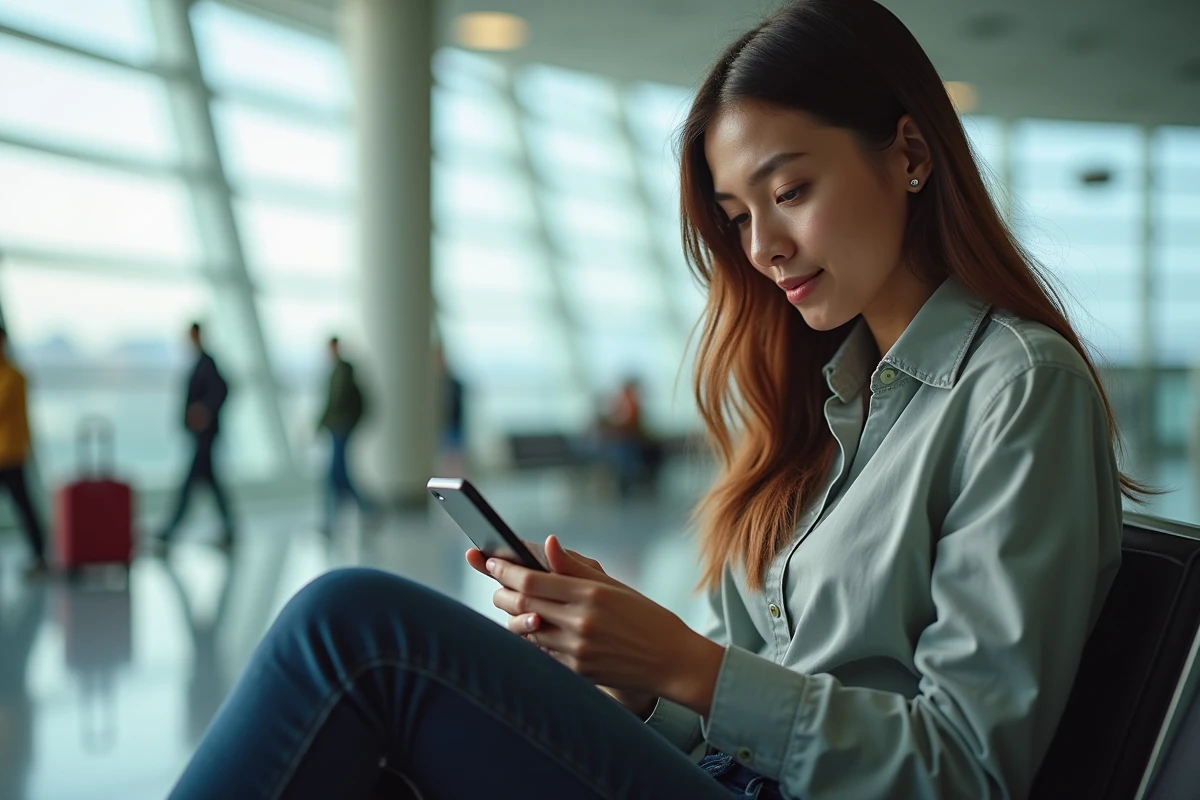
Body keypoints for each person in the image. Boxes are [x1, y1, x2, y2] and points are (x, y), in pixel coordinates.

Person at [166, 1, 1150, 797]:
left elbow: (967, 770)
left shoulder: (1018, 389)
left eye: (790, 190)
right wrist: (643, 679)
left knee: (355, 628)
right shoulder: (824, 403)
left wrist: (694, 666)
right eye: (736, 216)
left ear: (909, 153)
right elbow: (755, 708)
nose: (761, 247)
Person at [158, 323, 234, 547]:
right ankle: (229, 530)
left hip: (205, 436)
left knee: (189, 484)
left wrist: (205, 410)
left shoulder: (207, 362)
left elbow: (222, 389)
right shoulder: (199, 363)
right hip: (201, 435)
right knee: (211, 484)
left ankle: (171, 530)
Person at [0, 325, 49, 577]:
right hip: (6, 452)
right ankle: (40, 554)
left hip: (10, 453)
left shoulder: (13, 376)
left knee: (24, 506)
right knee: (24, 505)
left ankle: (40, 555)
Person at [317, 337, 373, 533]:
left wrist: (320, 423)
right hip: (338, 427)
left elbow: (334, 402)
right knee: (338, 475)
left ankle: (364, 510)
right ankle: (361, 511)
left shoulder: (342, 371)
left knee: (336, 475)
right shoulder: (340, 371)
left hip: (340, 428)